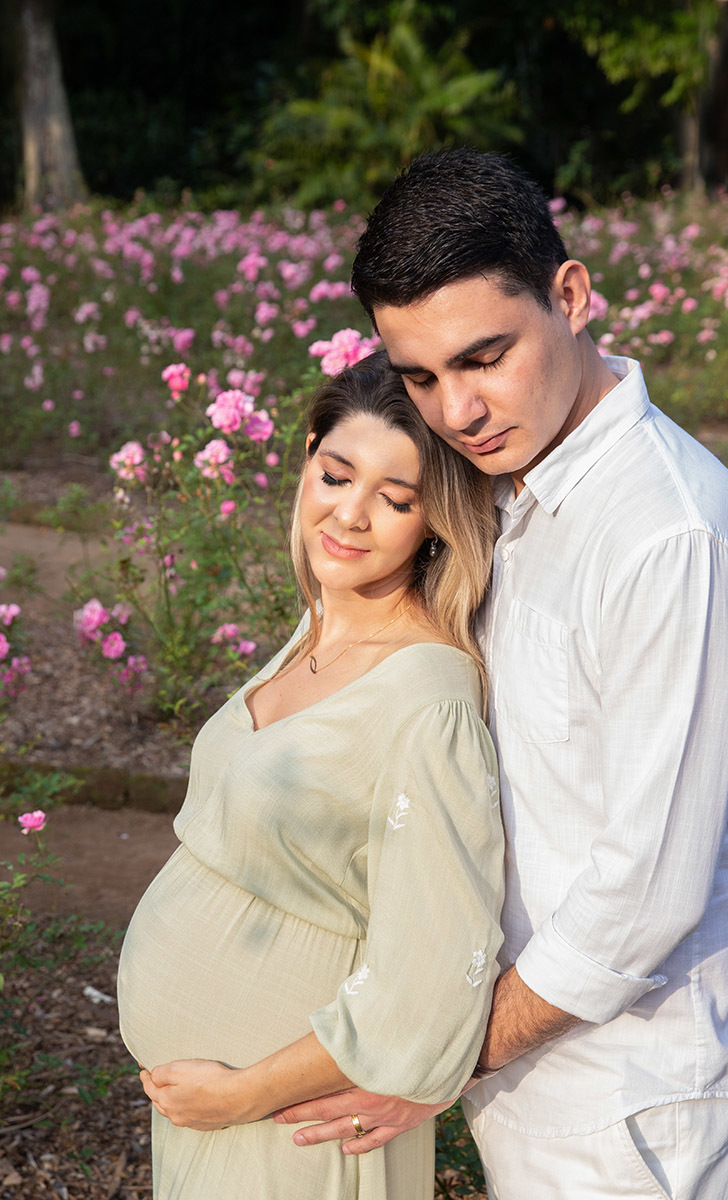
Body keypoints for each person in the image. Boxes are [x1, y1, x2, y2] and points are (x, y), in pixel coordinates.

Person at [272, 149, 728, 1199]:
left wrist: (432, 1054)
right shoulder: (515, 488)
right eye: (421, 377)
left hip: (635, 1100)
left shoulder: (666, 537)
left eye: (483, 357)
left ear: (569, 294)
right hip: (536, 1075)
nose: (457, 410)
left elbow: (643, 896)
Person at [116, 350, 505, 1200]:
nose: (352, 514)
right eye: (337, 474)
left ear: (434, 522)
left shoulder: (427, 698)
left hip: (293, 1125)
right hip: (216, 1118)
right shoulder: (321, 629)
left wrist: (241, 1093)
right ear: (306, 458)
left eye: (396, 500)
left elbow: (430, 970)